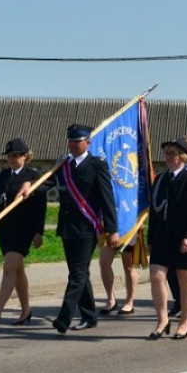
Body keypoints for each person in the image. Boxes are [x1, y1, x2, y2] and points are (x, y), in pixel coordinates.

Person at [29, 124, 119, 335]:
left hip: (88, 228)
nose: (72, 145)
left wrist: (112, 229)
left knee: (77, 275)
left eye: (77, 142)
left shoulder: (97, 165)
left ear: (87, 142)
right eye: (70, 141)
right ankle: (89, 316)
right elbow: (45, 184)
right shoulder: (63, 165)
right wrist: (29, 187)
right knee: (79, 273)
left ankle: (64, 317)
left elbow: (107, 198)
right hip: (67, 228)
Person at [0, 138, 47, 327]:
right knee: (17, 271)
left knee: (9, 267)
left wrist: (38, 232)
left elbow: (40, 207)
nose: (11, 159)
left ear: (25, 156)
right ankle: (26, 310)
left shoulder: (33, 176)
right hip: (5, 230)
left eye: (15, 155)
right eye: (9, 156)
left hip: (24, 230)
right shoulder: (2, 176)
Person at [146, 138, 187, 340]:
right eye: (167, 153)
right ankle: (162, 320)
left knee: (185, 281)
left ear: (182, 156)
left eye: (173, 153)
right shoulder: (160, 179)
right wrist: (150, 238)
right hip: (163, 237)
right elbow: (154, 211)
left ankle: (184, 323)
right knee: (156, 276)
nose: (169, 157)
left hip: (184, 238)